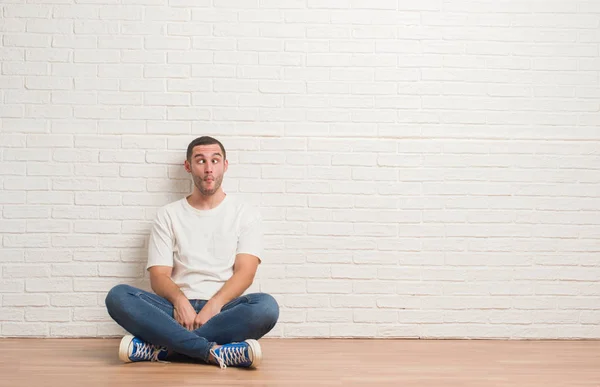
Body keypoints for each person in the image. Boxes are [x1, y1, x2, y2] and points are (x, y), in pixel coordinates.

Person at [105, 136, 279, 369]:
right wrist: (179, 301)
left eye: (215, 160)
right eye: (200, 160)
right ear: (188, 166)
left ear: (225, 165)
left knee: (266, 307)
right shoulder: (168, 215)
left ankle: (163, 350)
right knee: (118, 296)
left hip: (224, 310)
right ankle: (212, 352)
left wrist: (214, 305)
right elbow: (158, 277)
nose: (209, 168)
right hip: (174, 312)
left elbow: (245, 274)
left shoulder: (245, 213)